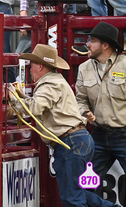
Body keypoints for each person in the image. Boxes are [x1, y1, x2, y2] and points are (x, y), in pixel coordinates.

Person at [9, 44, 116, 207]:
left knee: (72, 197)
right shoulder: (55, 81)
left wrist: (12, 98)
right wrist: (21, 97)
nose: (30, 70)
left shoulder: (49, 84)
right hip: (77, 140)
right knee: (76, 192)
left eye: (32, 66)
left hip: (70, 142)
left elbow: (34, 108)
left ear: (40, 66)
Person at [75, 22, 126, 196]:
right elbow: (80, 99)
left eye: (92, 40)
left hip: (123, 134)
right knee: (88, 185)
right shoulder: (84, 68)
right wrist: (83, 112)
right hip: (98, 136)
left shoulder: (125, 65)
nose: (87, 44)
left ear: (105, 45)